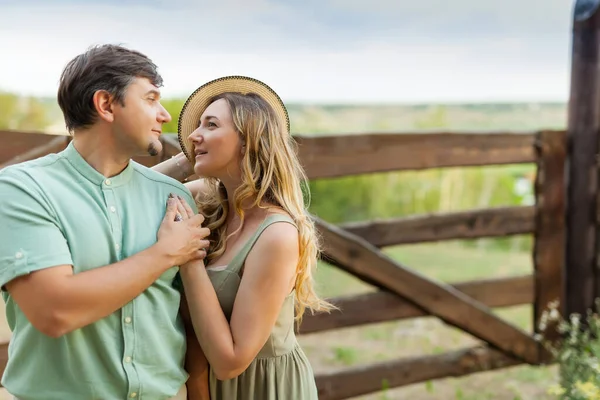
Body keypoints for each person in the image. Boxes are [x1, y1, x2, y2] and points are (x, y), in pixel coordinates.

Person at [0, 44, 210, 400]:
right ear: (106, 104)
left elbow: (190, 322)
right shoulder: (21, 189)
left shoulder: (172, 196)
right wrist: (164, 254)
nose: (162, 114)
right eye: (150, 98)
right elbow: (55, 311)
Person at [153, 76, 333, 400]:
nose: (195, 134)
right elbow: (140, 188)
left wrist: (189, 257)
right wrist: (189, 155)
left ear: (249, 140)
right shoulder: (209, 199)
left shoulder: (276, 234)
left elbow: (230, 362)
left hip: (263, 388)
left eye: (210, 125)